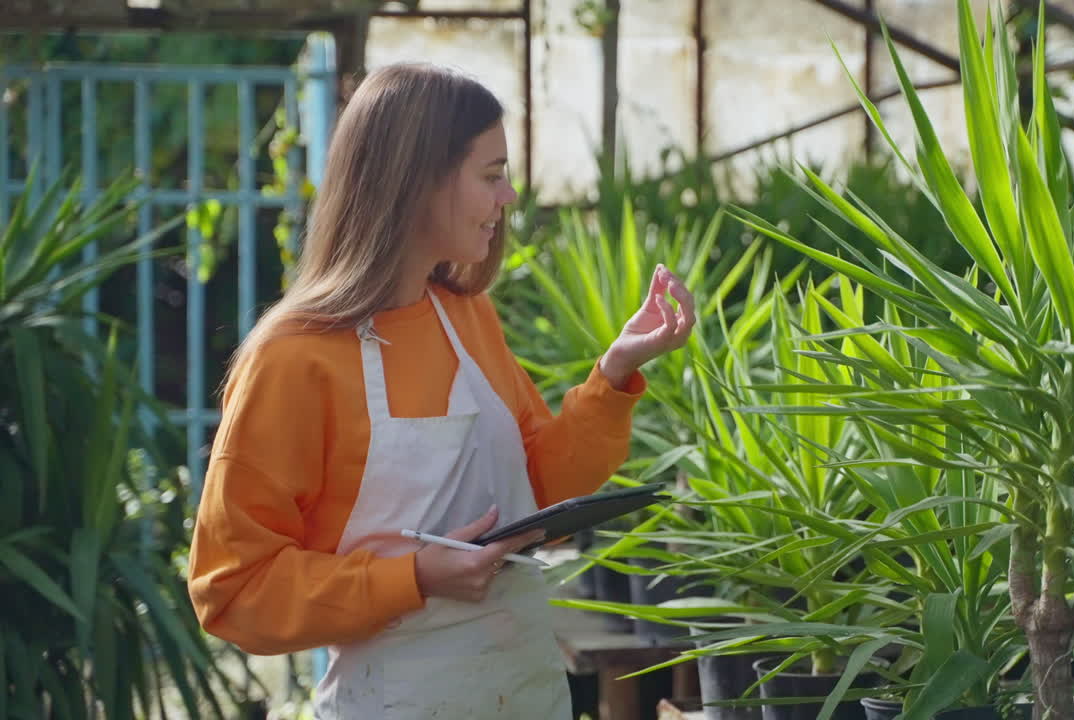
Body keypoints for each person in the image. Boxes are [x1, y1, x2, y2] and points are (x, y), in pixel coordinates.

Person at [187, 63, 696, 719]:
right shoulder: (292, 359)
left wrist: (617, 373)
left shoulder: (464, 316)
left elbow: (538, 483)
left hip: (521, 695)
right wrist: (415, 577)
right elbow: (233, 591)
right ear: (417, 180)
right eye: (491, 175)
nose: (508, 196)